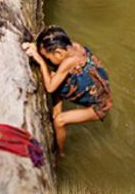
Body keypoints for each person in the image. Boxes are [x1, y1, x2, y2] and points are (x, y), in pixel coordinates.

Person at [23, 26, 112, 154]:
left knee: (59, 120)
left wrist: (41, 62)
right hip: (98, 88)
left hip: (100, 106)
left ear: (59, 53)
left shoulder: (68, 62)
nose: (48, 60)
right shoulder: (74, 47)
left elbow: (49, 88)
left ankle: (60, 152)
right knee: (55, 75)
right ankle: (57, 106)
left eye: (48, 58)